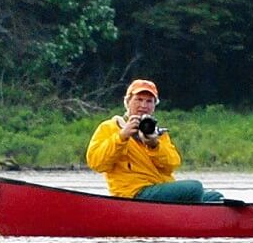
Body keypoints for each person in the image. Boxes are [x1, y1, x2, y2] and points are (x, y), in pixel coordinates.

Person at [86, 79, 224, 203]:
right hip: (133, 194)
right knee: (195, 188)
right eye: (139, 99)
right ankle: (190, 218)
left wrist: (154, 145)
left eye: (149, 101)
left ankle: (195, 219)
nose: (143, 105)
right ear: (127, 102)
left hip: (158, 189)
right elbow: (96, 163)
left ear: (154, 106)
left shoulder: (154, 130)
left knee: (215, 197)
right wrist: (122, 136)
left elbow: (172, 164)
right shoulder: (110, 127)